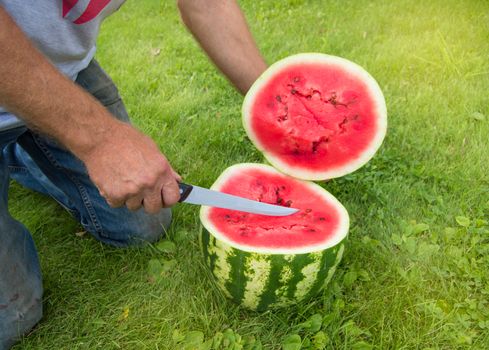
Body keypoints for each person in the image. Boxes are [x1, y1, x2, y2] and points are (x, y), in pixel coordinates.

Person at [0, 0, 267, 348]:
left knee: (142, 225)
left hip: (60, 71)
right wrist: (99, 140)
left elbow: (207, 5)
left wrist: (278, 104)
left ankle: (24, 151)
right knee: (13, 318)